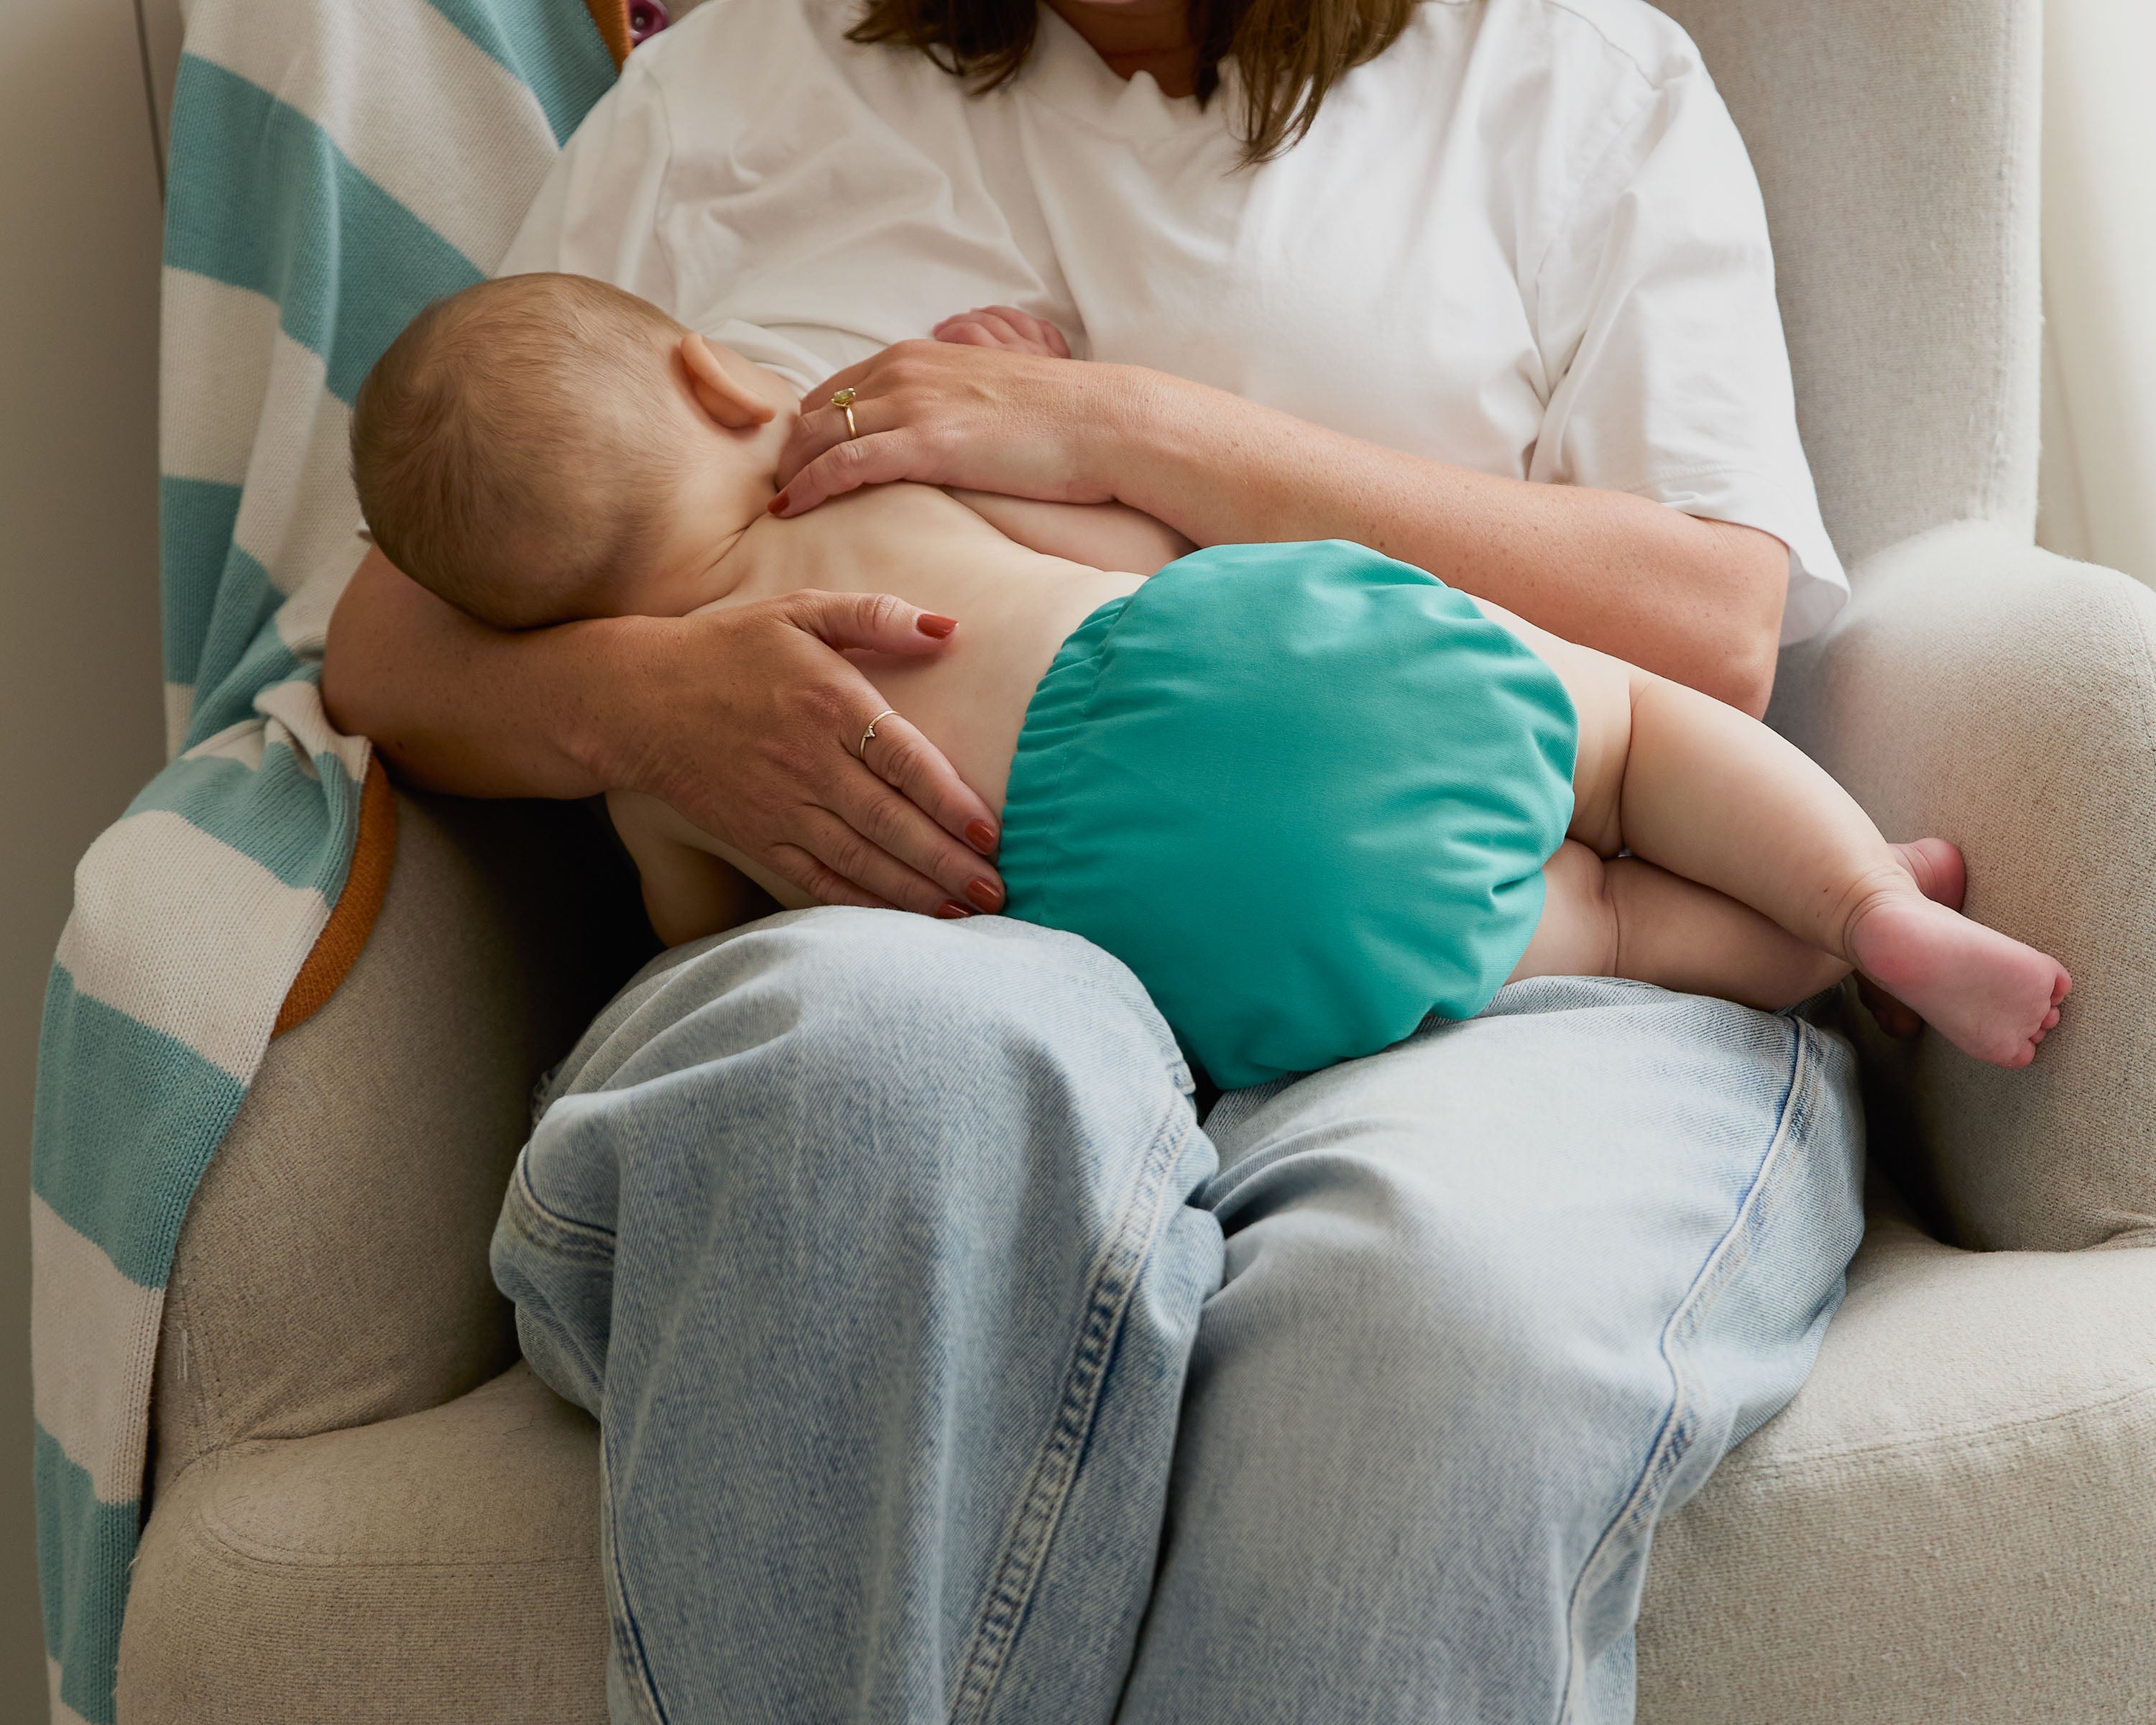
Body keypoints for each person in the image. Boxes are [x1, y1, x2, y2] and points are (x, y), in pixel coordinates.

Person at [323, 0, 1899, 1716]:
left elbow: (1714, 623)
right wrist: (639, 708)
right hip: (910, 960)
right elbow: (386, 638)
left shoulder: (1567, 79)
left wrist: (1134, 433)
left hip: (1500, 969)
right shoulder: (725, 97)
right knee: (887, 1091)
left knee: (1429, 1311)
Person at [351, 271, 2068, 1075]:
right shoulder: (862, 460)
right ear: (716, 380)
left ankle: (1808, 961)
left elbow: (704, 937)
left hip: (1126, 911)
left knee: (1598, 936)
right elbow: (1105, 544)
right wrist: (1029, 388)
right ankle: (1868, 907)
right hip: (1211, 658)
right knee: (1618, 741)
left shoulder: (681, 764)